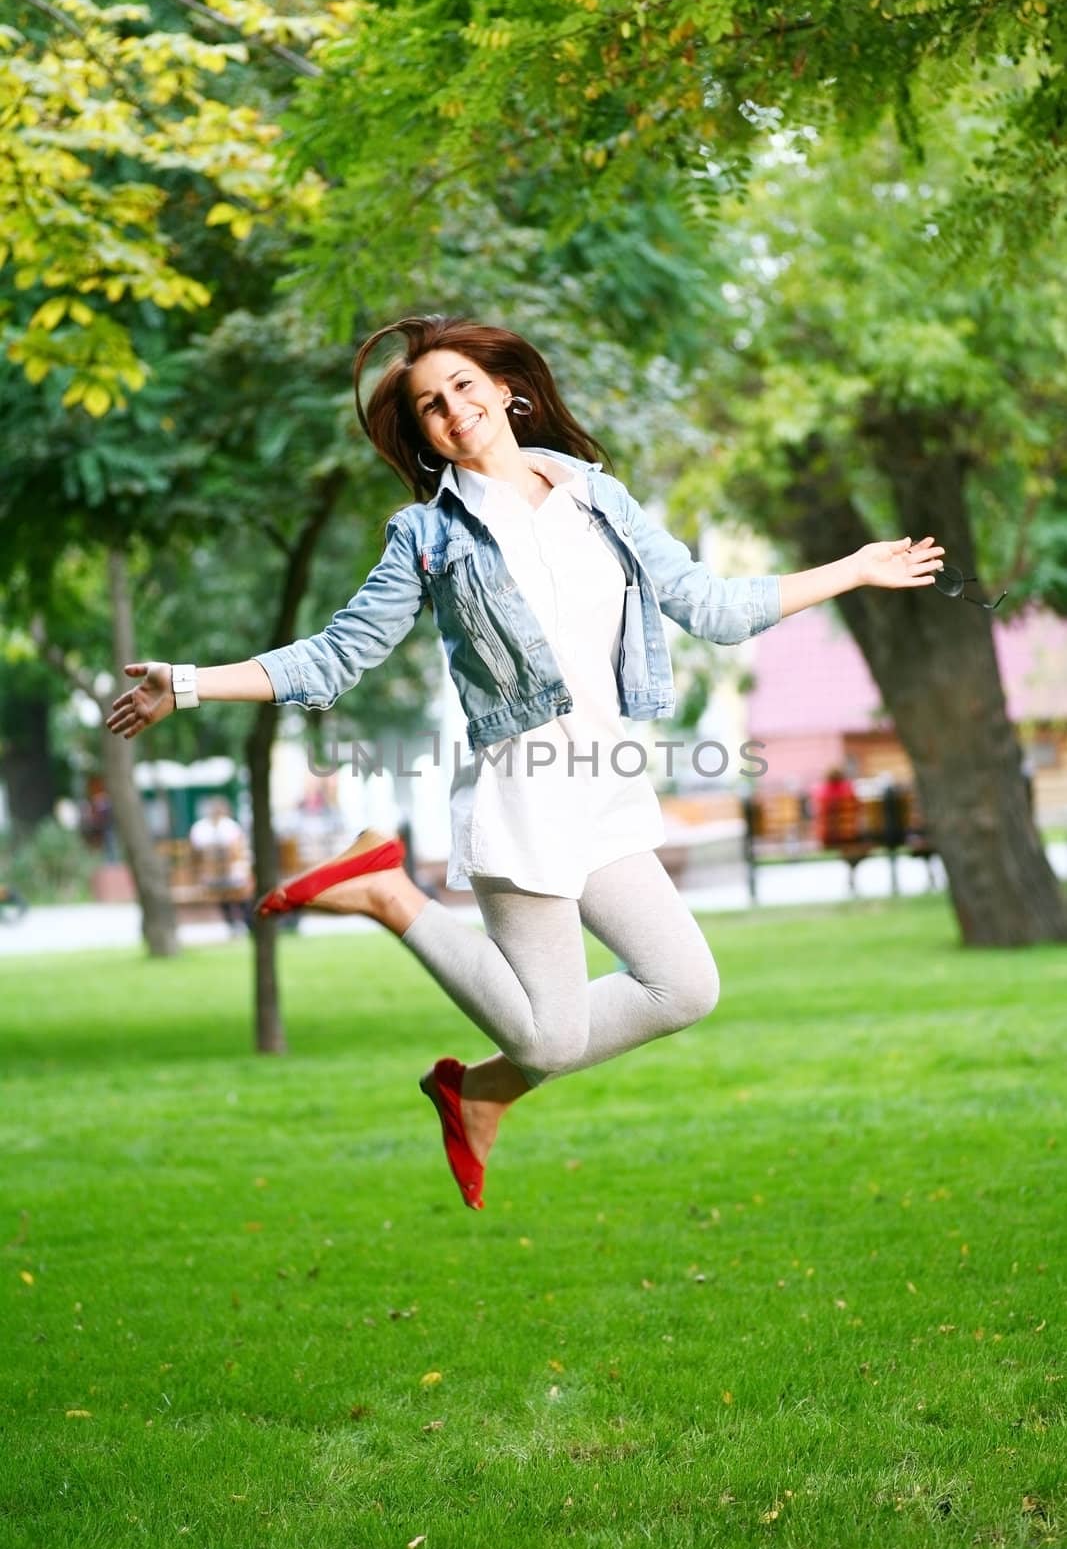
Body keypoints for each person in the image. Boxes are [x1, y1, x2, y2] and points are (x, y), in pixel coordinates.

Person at [106, 315, 946, 1210]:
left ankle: (471, 1091)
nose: (452, 410)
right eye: (430, 405)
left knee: (684, 985)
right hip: (525, 791)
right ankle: (391, 893)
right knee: (548, 1039)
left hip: (608, 784)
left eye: (463, 386)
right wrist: (186, 684)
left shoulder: (597, 497)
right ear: (423, 434)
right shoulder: (428, 538)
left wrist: (850, 570)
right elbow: (335, 655)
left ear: (510, 390)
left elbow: (710, 604)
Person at [188, 797, 252, 932]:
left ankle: (245, 921)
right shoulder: (201, 828)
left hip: (231, 875)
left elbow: (237, 850)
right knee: (227, 893)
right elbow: (196, 853)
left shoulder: (230, 826)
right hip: (211, 876)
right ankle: (233, 922)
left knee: (241, 891)